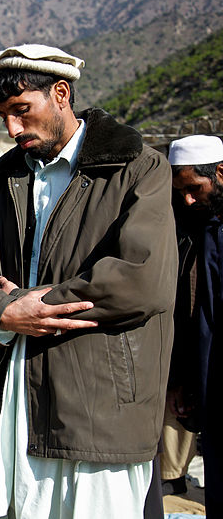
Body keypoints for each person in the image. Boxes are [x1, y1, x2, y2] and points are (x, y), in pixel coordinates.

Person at [0, 44, 178, 518]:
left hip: (97, 404)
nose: (12, 128)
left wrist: (35, 303)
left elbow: (141, 276)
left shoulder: (138, 166)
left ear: (60, 93)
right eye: (3, 115)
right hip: (8, 397)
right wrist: (2, 312)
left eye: (21, 111)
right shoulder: (4, 178)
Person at [169, 134, 223, 515]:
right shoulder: (194, 226)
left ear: (221, 173)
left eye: (195, 189)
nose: (188, 199)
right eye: (181, 191)